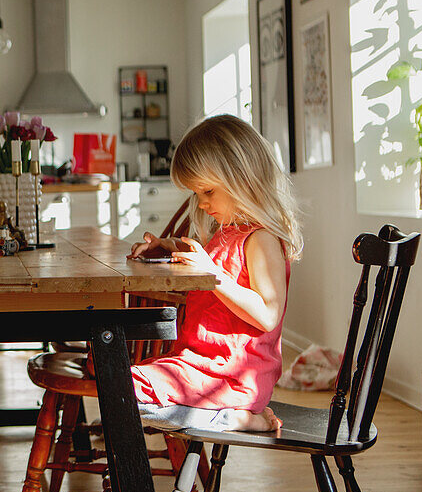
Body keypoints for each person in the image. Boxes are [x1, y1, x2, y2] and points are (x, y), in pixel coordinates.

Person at [126, 114, 302, 432]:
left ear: (241, 179)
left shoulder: (260, 239)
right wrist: (168, 246)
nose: (203, 203)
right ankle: (219, 417)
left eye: (208, 191)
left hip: (233, 376)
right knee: (120, 382)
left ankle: (231, 419)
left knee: (124, 390)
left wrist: (213, 275)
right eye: (197, 194)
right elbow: (213, 262)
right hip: (203, 364)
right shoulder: (228, 233)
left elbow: (267, 315)